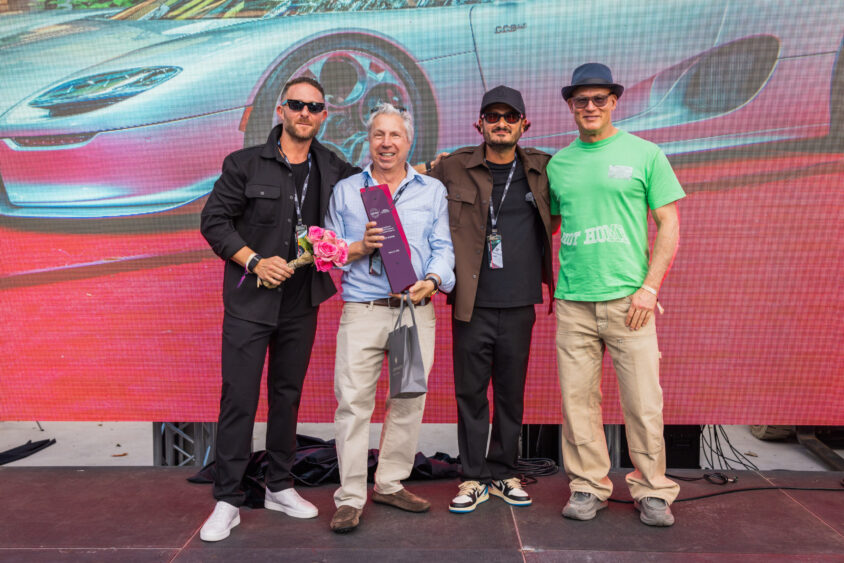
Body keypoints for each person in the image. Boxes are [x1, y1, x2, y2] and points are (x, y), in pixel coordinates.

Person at [198, 77, 359, 542]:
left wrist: (429, 165)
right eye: (297, 105)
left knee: (286, 396)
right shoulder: (244, 164)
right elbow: (214, 220)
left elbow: (375, 184)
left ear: (324, 115)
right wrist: (252, 259)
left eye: (314, 107)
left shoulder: (331, 165)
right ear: (281, 111)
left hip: (300, 302)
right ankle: (228, 499)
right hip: (250, 302)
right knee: (239, 399)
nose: (305, 113)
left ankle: (279, 486)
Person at [547, 63, 685, 526]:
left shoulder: (645, 154)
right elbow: (545, 226)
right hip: (574, 302)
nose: (590, 107)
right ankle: (587, 486)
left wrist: (650, 288)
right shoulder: (558, 164)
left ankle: (653, 490)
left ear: (614, 102)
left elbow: (669, 223)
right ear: (570, 106)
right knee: (578, 403)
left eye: (599, 99)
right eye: (581, 100)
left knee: (644, 402)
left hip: (631, 303)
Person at [324, 103, 455, 533]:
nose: (386, 143)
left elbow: (444, 248)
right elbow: (329, 254)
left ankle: (391, 482)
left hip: (413, 311)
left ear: (408, 141)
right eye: (379, 134)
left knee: (407, 400)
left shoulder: (432, 190)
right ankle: (350, 497)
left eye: (394, 135)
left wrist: (433, 280)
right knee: (353, 405)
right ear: (369, 140)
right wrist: (359, 245)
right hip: (362, 310)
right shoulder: (346, 191)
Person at [427, 86, 557, 513]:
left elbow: (557, 217)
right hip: (471, 302)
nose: (501, 123)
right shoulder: (450, 168)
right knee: (470, 393)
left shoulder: (544, 169)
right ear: (478, 123)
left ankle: (502, 472)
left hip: (520, 303)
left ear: (524, 124)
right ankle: (471, 477)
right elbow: (413, 194)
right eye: (493, 116)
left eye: (510, 116)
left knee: (510, 393)